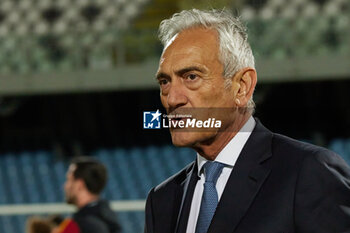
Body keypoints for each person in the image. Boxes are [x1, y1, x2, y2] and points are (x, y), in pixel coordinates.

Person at [145, 9, 350, 233]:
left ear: (242, 87)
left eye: (191, 77)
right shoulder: (161, 200)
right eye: (165, 82)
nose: (172, 99)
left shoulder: (308, 172)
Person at [63, 156, 121, 233]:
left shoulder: (85, 224)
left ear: (79, 185)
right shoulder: (107, 216)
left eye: (69, 180)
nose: (65, 186)